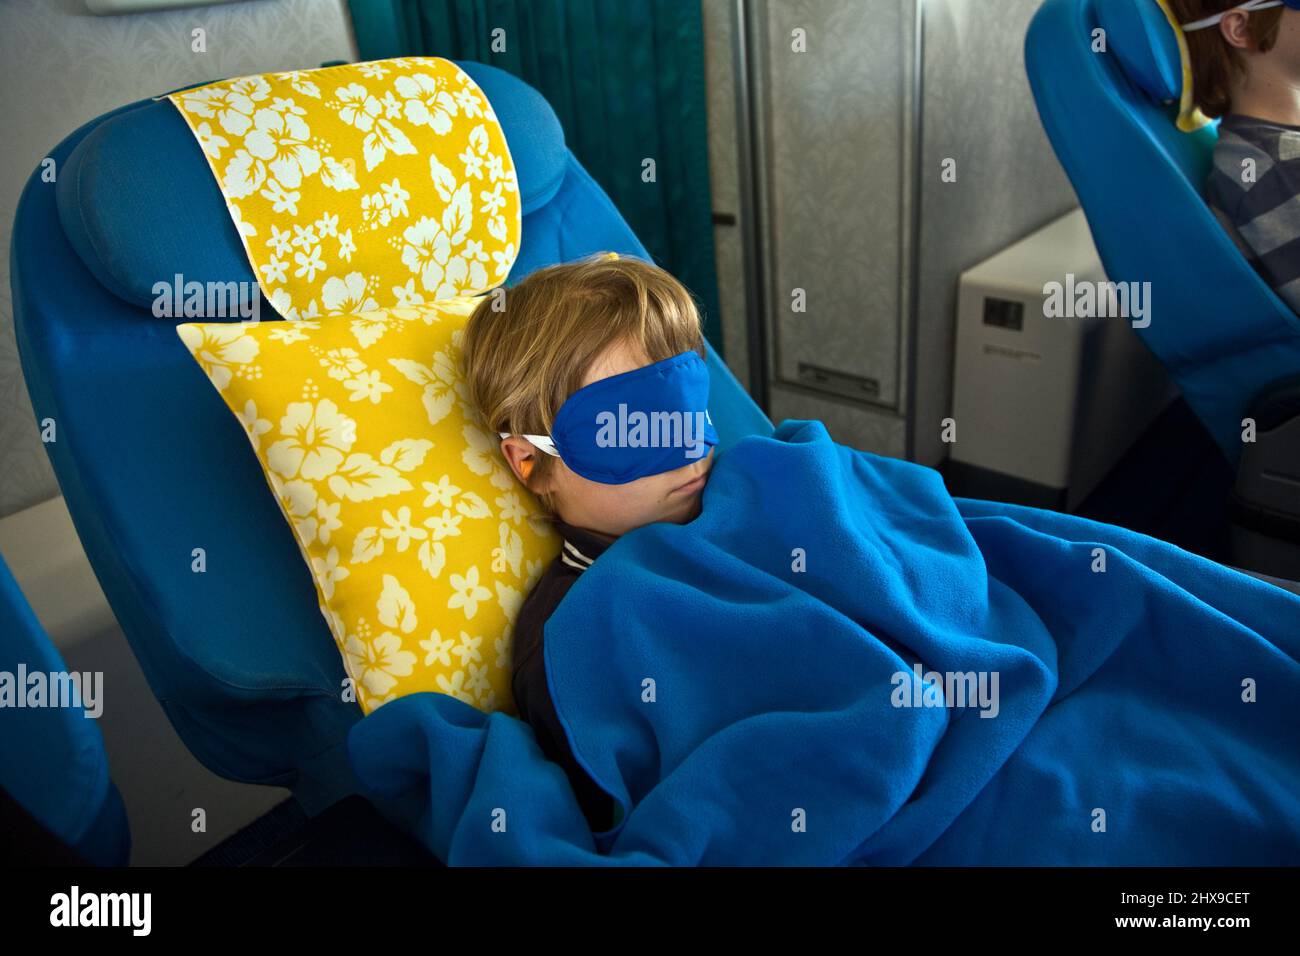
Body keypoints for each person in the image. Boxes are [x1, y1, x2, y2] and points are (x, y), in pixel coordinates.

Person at [459, 253, 717, 831]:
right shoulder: (571, 636)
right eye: (632, 425)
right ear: (530, 461)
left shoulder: (743, 497)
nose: (689, 447)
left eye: (689, 407)